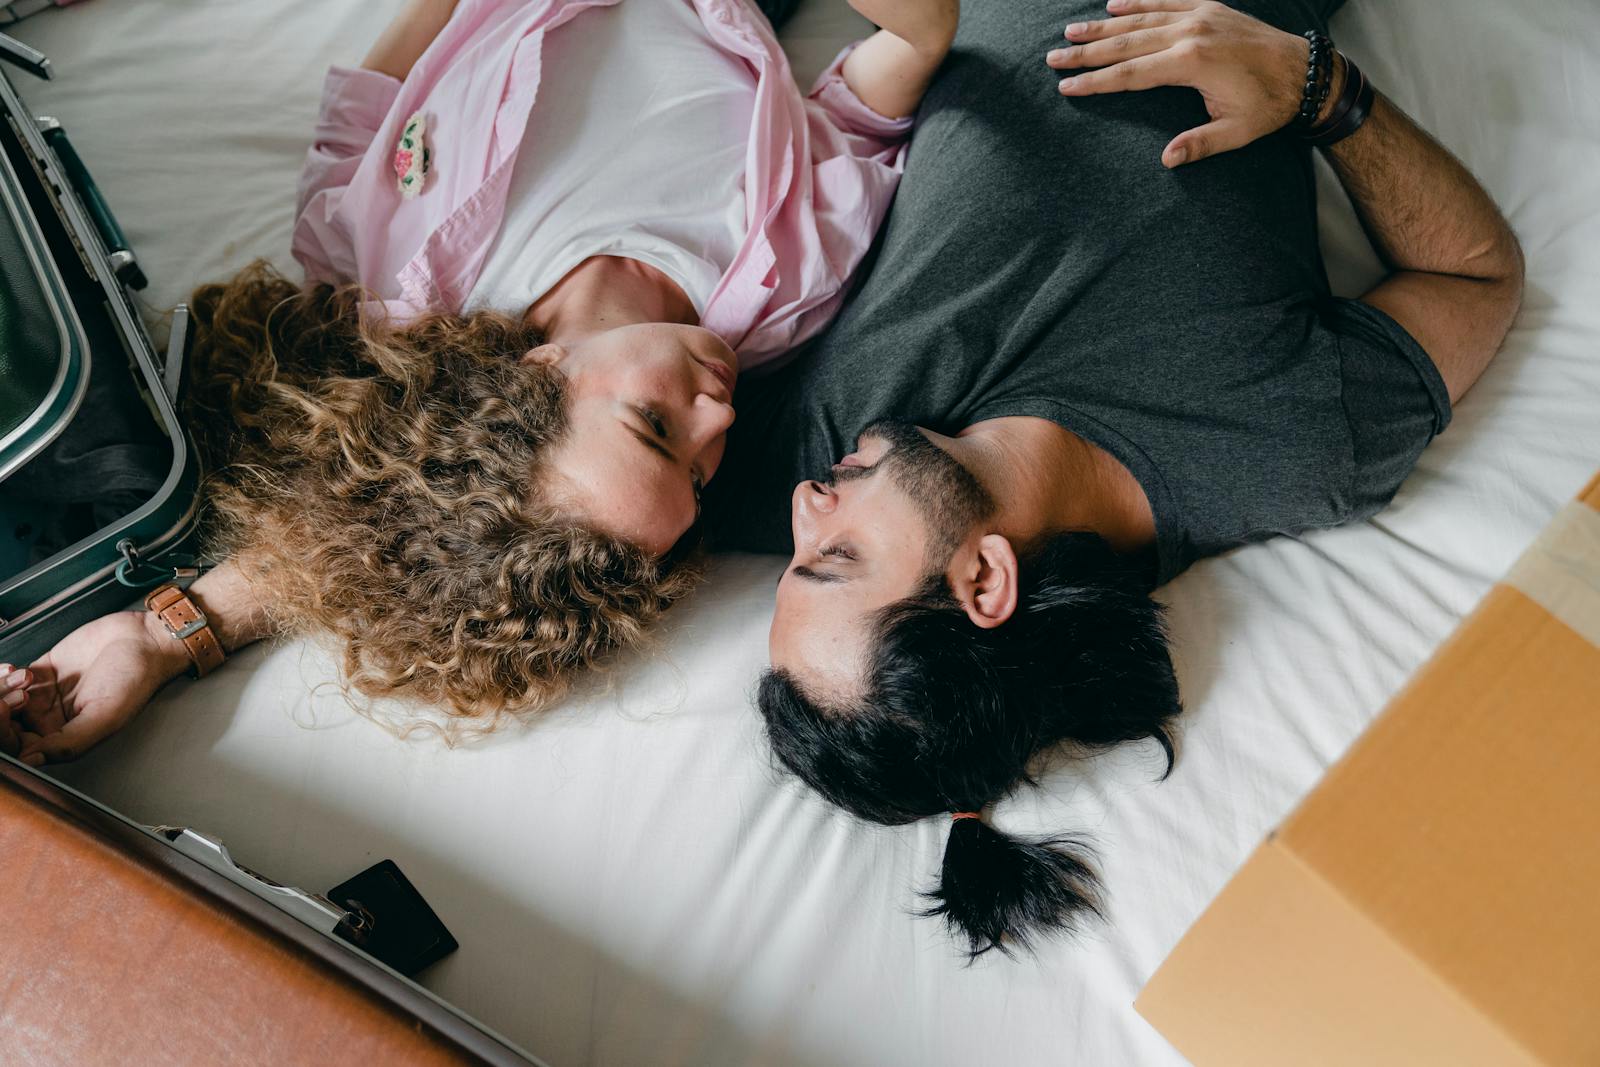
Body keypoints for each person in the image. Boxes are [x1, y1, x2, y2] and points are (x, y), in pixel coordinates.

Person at [704, 0, 1524, 956]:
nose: (806, 508)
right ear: (983, 582)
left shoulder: (812, 448)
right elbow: (1476, 279)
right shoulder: (1286, 441)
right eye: (834, 556)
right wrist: (1317, 90)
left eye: (794, 553)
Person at [0, 0, 958, 759]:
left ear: (527, 383)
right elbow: (859, 108)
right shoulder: (782, 289)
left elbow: (365, 110)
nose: (718, 412)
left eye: (655, 428)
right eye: (701, 470)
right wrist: (924, 30)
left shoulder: (396, 278)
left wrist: (160, 635)